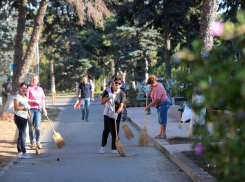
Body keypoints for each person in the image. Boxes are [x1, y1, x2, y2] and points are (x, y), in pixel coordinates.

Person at [99, 76, 125, 154]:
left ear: (121, 84)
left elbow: (121, 106)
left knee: (115, 132)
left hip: (116, 114)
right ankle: (103, 147)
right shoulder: (108, 91)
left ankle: (114, 148)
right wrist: (109, 98)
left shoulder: (122, 93)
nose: (117, 84)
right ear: (113, 82)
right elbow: (102, 102)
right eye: (116, 82)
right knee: (106, 130)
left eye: (119, 83)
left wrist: (117, 114)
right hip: (107, 114)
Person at [26, 75, 47, 149]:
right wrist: (34, 101)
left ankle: (37, 141)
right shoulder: (29, 88)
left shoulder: (40, 89)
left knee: (37, 127)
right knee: (31, 127)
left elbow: (42, 99)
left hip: (38, 110)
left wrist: (44, 108)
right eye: (32, 80)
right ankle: (32, 142)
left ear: (37, 81)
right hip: (30, 109)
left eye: (35, 80)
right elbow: (26, 99)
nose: (33, 81)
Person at [13, 82, 32, 159]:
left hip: (24, 117)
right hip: (19, 117)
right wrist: (25, 106)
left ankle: (19, 152)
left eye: (25, 88)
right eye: (23, 88)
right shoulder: (17, 97)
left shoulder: (25, 97)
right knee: (24, 134)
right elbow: (16, 108)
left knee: (21, 134)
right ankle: (24, 152)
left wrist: (28, 113)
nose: (24, 89)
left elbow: (28, 102)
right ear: (20, 88)